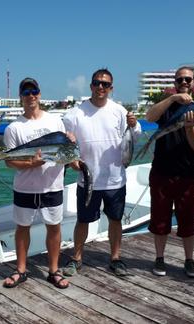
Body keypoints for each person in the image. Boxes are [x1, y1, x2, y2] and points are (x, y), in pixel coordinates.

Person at [62, 68, 141, 277]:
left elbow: (135, 136)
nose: (100, 87)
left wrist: (134, 125)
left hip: (115, 179)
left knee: (115, 220)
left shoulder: (120, 112)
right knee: (83, 220)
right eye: (97, 83)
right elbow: (66, 142)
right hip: (88, 179)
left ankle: (115, 258)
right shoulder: (75, 113)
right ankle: (76, 258)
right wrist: (72, 161)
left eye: (105, 84)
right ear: (90, 86)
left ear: (111, 88)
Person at [2, 78, 70, 289]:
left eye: (34, 91)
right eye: (26, 92)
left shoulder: (55, 121)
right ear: (20, 97)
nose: (31, 95)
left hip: (52, 186)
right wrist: (31, 163)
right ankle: (21, 269)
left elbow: (64, 150)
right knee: (22, 228)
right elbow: (9, 161)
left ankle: (53, 270)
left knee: (54, 227)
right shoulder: (13, 128)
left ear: (39, 94)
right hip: (25, 187)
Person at [144, 66, 194, 278]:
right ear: (175, 83)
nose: (184, 82)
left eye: (188, 79)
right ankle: (159, 258)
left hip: (188, 174)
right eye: (180, 79)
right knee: (160, 220)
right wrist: (172, 99)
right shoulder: (166, 107)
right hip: (161, 173)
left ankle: (189, 259)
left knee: (188, 220)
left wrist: (189, 127)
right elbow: (150, 117)